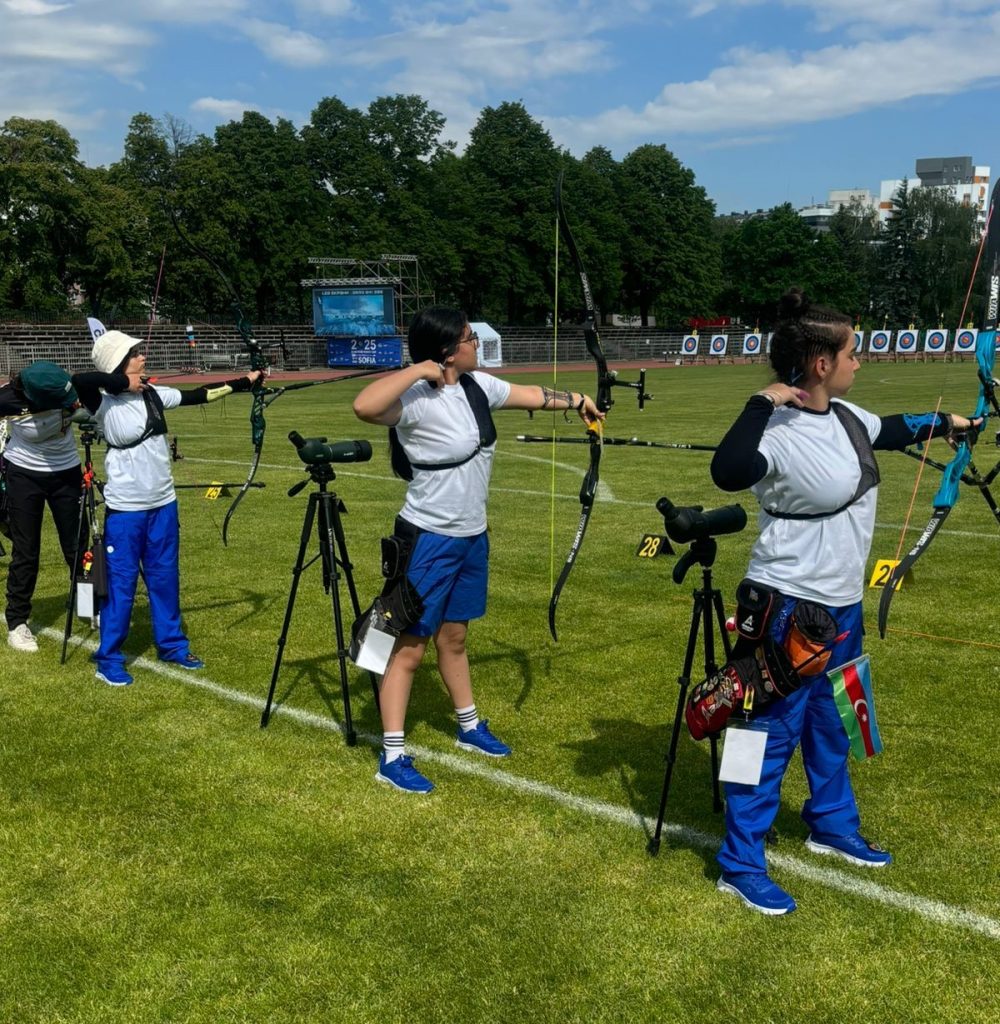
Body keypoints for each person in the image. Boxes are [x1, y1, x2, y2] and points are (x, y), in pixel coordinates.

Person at [709, 287, 980, 915]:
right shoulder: (776, 432)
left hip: (842, 605)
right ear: (821, 363)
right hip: (786, 606)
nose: (861, 361)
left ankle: (831, 824)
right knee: (764, 730)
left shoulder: (850, 417)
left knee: (835, 720)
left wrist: (952, 423)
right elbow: (728, 470)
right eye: (853, 352)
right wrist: (761, 400)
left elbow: (894, 429)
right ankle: (739, 862)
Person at [353, 306, 603, 793]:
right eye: (469, 338)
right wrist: (419, 370)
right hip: (428, 540)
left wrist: (578, 400)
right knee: (409, 647)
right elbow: (364, 406)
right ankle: (392, 755)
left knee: (455, 638)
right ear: (448, 350)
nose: (477, 343)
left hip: (472, 537)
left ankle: (468, 726)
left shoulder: (477, 387)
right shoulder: (416, 400)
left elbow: (532, 395)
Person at [75, 330, 264, 686]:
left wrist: (246, 381)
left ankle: (172, 645)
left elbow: (201, 394)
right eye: (135, 354)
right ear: (119, 363)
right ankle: (109, 658)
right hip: (126, 510)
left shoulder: (155, 395)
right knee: (121, 584)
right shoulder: (103, 403)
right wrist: (124, 383)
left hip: (163, 504)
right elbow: (80, 379)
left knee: (164, 577)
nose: (143, 357)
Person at [0, 361, 86, 652]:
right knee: (26, 550)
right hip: (24, 475)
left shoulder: (70, 387)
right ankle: (17, 622)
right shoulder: (7, 399)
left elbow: (108, 385)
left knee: (77, 545)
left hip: (67, 473)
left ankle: (88, 605)